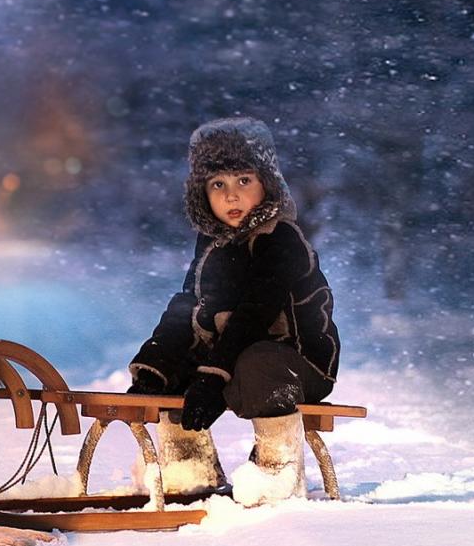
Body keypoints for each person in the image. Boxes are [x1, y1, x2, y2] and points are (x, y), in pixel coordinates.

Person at [127, 117, 340, 505]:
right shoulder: (211, 245)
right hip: (237, 355)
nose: (231, 197)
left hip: (298, 362)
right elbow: (190, 306)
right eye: (218, 185)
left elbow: (255, 314)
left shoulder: (280, 239)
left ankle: (277, 468)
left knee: (258, 362)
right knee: (178, 367)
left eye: (244, 181)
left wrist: (213, 377)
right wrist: (156, 365)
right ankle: (189, 466)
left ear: (267, 185)